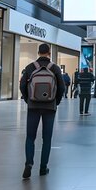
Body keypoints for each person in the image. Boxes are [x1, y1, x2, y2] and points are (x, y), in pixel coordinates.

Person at [20, 43, 65, 180]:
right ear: (49, 53)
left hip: (33, 106)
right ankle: (43, 167)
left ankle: (29, 163)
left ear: (38, 52)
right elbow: (62, 87)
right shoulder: (55, 68)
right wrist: (55, 101)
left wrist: (29, 100)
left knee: (30, 137)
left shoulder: (30, 67)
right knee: (47, 139)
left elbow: (22, 86)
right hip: (49, 107)